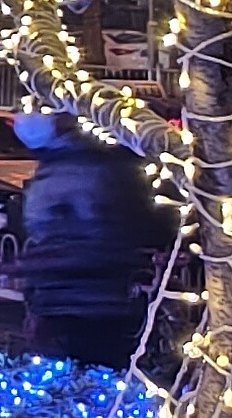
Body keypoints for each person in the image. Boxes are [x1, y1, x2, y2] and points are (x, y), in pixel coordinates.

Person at [13, 111, 167, 369]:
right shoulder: (99, 164)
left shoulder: (63, 174)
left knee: (80, 374)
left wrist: (36, 271)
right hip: (104, 298)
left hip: (77, 300)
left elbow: (74, 237)